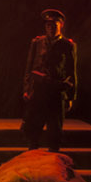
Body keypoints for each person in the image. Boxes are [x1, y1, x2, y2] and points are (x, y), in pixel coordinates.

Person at [22, 9, 77, 152]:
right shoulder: (37, 42)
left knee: (55, 130)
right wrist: (27, 89)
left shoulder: (67, 45)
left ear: (61, 25)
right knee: (33, 128)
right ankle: (32, 154)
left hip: (56, 92)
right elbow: (29, 67)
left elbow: (71, 71)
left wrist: (70, 96)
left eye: (54, 25)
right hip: (38, 90)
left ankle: (53, 154)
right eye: (48, 25)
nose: (51, 28)